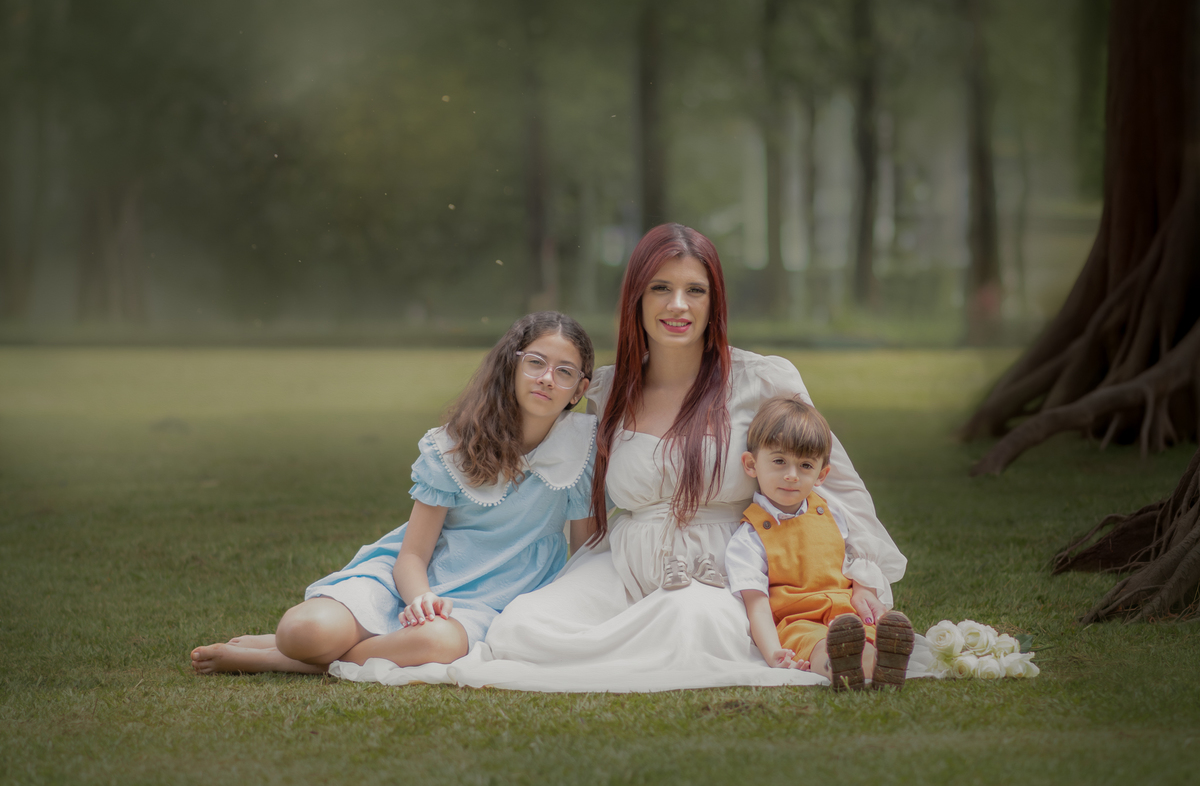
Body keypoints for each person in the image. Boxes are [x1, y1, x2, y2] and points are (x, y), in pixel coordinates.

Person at [356, 223, 906, 692]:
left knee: (691, 619)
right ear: (636, 299)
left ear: (714, 301)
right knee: (520, 628)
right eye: (660, 288)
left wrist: (862, 575)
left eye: (694, 290)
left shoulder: (762, 380)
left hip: (721, 568)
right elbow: (538, 454)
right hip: (624, 560)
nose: (677, 305)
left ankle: (850, 657)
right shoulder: (605, 390)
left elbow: (833, 485)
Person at [190, 312, 596, 675]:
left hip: (489, 602)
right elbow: (413, 555)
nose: (547, 378)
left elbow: (584, 559)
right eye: (535, 362)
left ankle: (279, 660)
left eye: (564, 371)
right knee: (301, 632)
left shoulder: (581, 452)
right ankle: (303, 647)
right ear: (511, 366)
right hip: (411, 580)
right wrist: (420, 598)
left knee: (437, 642)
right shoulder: (454, 445)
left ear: (579, 390)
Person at [725, 396, 914, 690]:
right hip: (798, 621)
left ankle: (881, 662)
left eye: (805, 465)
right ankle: (839, 666)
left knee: (865, 638)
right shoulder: (749, 538)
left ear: (821, 474)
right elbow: (757, 605)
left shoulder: (832, 513)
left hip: (846, 614)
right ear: (751, 464)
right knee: (819, 647)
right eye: (779, 461)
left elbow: (854, 558)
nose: (791, 475)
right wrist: (773, 652)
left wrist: (863, 588)